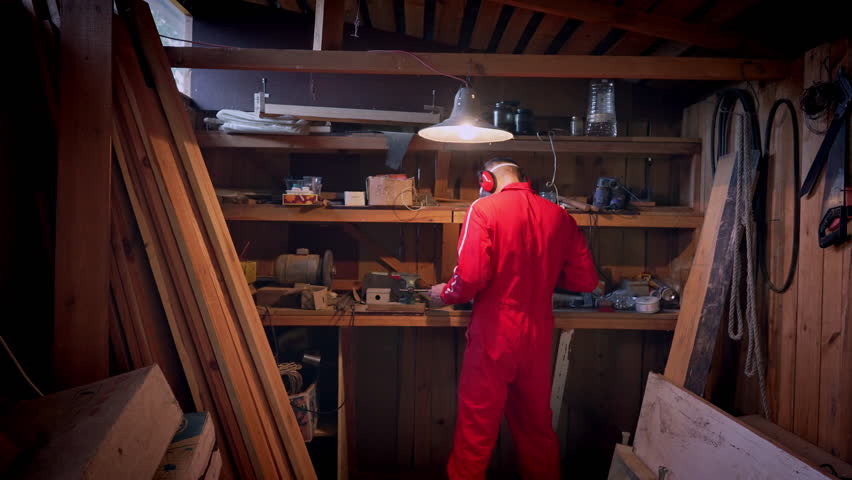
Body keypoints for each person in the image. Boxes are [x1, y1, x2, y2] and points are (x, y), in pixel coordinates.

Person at [430, 157, 599, 480]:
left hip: (493, 334)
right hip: (537, 335)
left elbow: (470, 277)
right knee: (537, 431)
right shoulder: (560, 217)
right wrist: (544, 272)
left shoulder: (483, 210)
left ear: (486, 180)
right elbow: (585, 282)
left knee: (475, 434)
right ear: (525, 178)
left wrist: (445, 294)